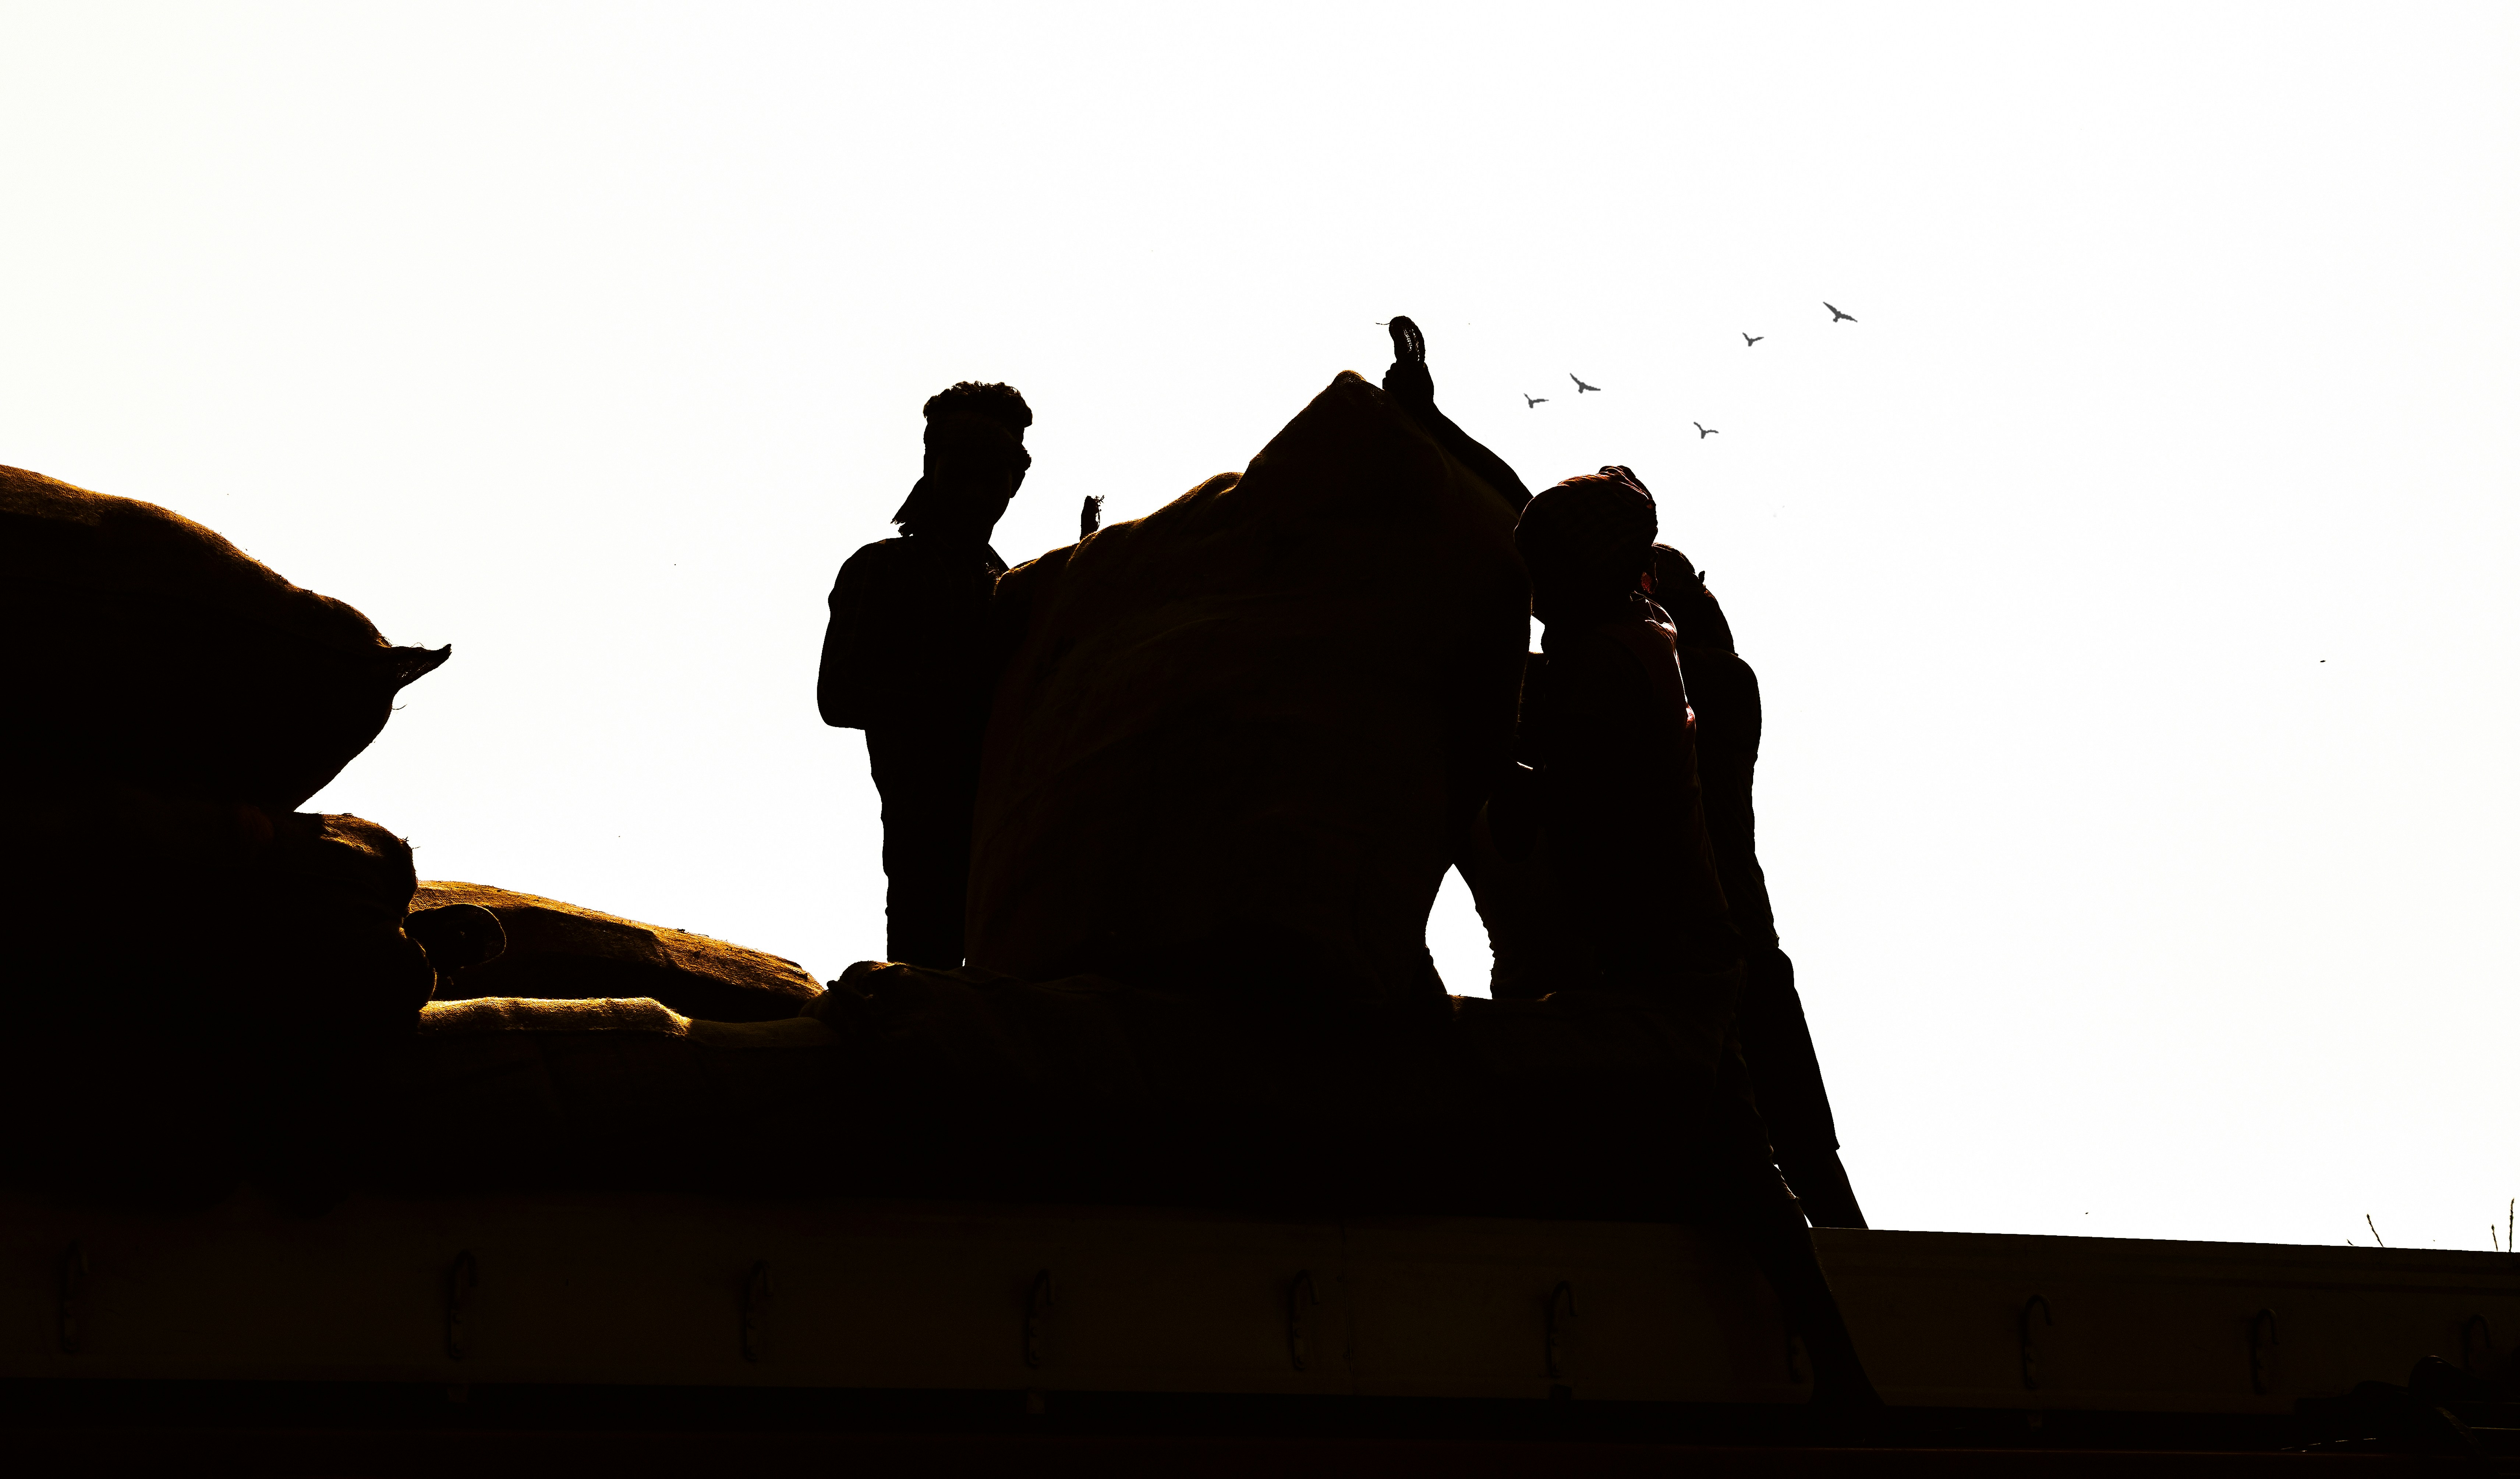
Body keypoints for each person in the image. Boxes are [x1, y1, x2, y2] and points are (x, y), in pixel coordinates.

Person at [1510, 468, 1879, 1411]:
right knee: (1759, 1173)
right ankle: (1849, 1368)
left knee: (1738, 1163)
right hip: (1697, 955)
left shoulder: (1622, 664)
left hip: (1656, 965)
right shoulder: (1644, 649)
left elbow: (1562, 785)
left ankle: (1853, 1360)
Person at [1650, 544, 1869, 1230]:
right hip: (1740, 950)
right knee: (1807, 1164)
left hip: (1714, 955)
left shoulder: (1697, 679)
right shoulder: (1724, 679)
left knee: (1796, 1161)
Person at [819, 382, 1031, 968]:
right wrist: (962, 694)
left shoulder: (1012, 584)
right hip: (927, 825)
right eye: (963, 472)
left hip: (1011, 824)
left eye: (997, 479)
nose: (980, 493)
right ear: (932, 468)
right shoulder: (884, 568)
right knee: (927, 976)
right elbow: (839, 694)